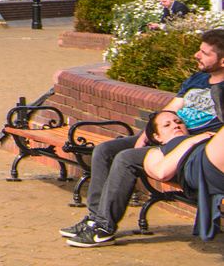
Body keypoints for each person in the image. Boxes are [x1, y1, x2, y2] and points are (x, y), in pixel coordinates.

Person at [60, 28, 224, 245]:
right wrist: (147, 134)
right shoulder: (198, 79)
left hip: (184, 144)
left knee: (127, 158)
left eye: (204, 53)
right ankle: (94, 219)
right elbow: (170, 110)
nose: (197, 55)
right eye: (199, 50)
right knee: (105, 150)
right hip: (164, 132)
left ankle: (104, 227)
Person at [69, 107, 224, 247]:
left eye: (179, 122)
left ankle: (99, 224)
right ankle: (99, 224)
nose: (176, 125)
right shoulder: (159, 150)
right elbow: (161, 172)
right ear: (157, 137)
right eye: (167, 125)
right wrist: (192, 141)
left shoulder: (201, 138)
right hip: (202, 162)